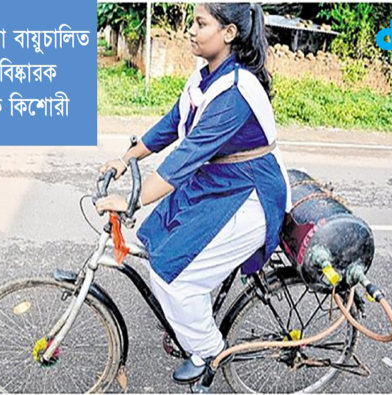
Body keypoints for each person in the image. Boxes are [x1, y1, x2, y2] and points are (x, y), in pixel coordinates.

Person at [96, 2, 290, 383]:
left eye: (201, 23)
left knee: (176, 278)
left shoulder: (234, 91)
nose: (191, 29)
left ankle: (208, 354)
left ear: (229, 33)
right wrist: (126, 158)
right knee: (157, 246)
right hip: (219, 183)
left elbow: (187, 156)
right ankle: (193, 327)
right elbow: (172, 124)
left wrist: (130, 200)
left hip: (249, 193)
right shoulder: (206, 77)